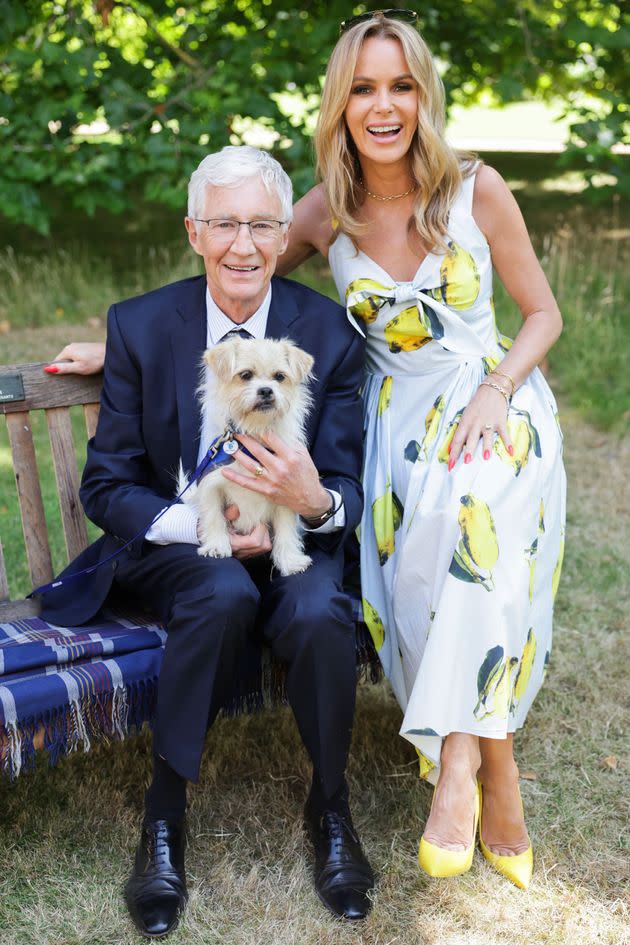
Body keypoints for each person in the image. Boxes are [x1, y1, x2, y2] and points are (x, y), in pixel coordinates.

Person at [48, 10, 567, 891]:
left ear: (423, 95)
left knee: (413, 559)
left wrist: (481, 398)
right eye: (363, 87)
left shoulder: (450, 213)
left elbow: (538, 317)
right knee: (291, 572)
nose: (383, 104)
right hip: (300, 481)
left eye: (400, 85)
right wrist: (123, 348)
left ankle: (407, 792)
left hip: (459, 424)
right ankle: (173, 817)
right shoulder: (303, 226)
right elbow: (230, 255)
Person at [40, 145, 375, 937]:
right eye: (225, 223)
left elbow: (349, 484)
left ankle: (331, 809)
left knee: (322, 610)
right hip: (186, 545)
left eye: (262, 223)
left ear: (285, 229)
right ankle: (163, 817)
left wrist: (313, 499)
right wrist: (204, 525)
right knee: (220, 589)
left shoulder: (326, 332)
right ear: (195, 232)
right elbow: (108, 485)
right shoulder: (142, 324)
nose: (244, 244)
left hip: (293, 535)